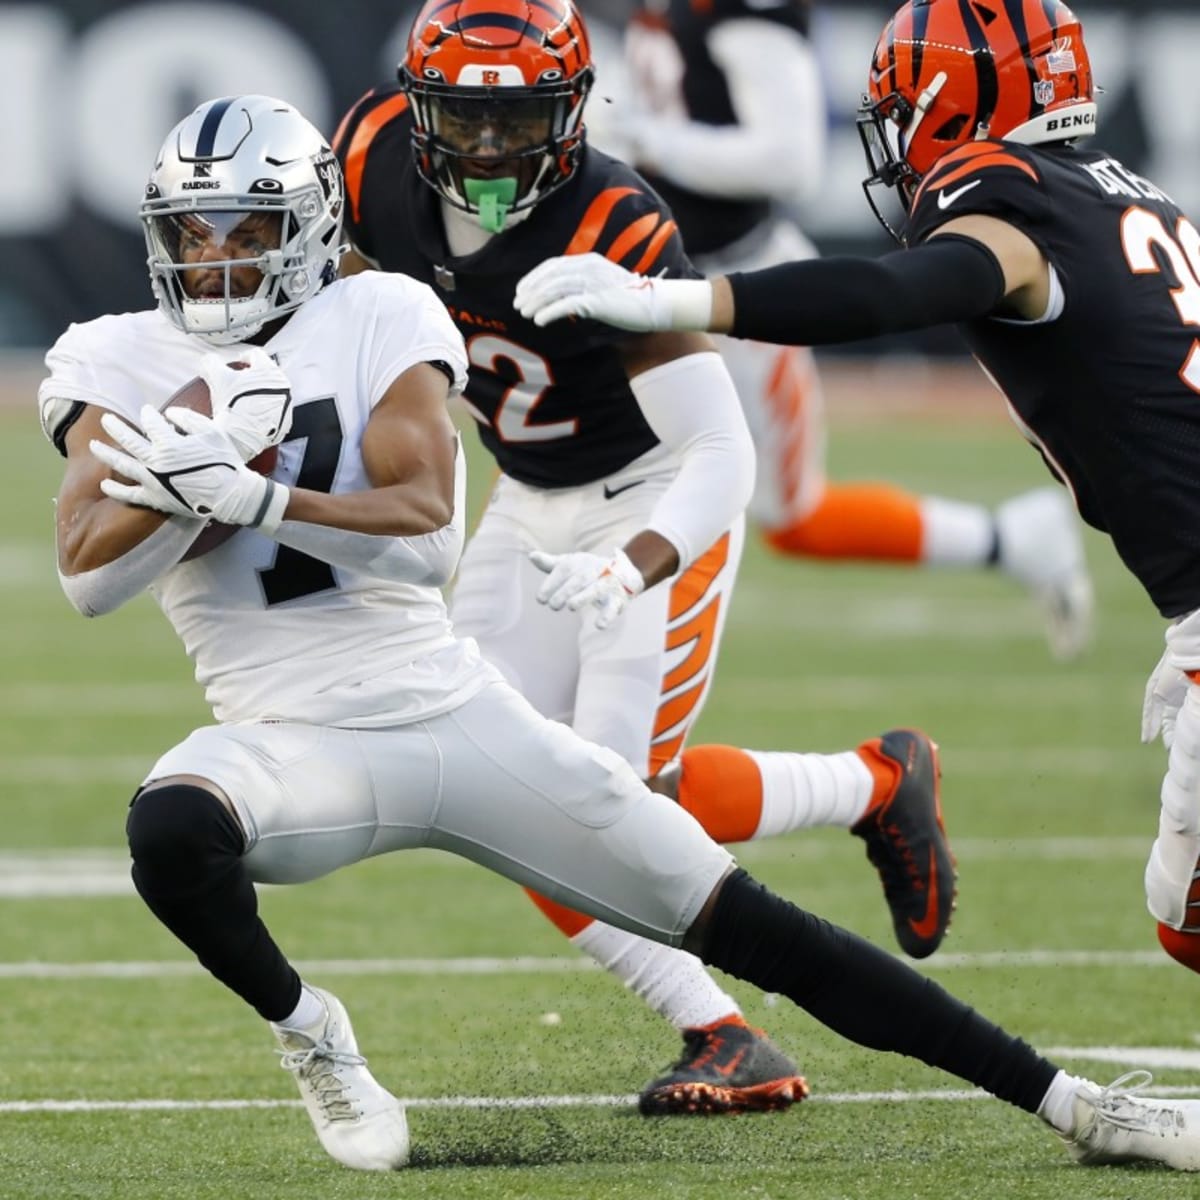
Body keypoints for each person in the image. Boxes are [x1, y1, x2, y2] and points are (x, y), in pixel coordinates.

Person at [41, 87, 1200, 1179]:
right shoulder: (114, 354)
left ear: (306, 228)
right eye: (191, 232)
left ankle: (1080, 1104)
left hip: (456, 707)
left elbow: (426, 535)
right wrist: (178, 482)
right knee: (173, 827)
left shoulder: (382, 308)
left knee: (761, 929)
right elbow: (89, 577)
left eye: (246, 229)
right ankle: (316, 1037)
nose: (215, 257)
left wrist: (261, 495)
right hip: (289, 745)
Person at [332, 0, 955, 1117]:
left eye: (514, 121)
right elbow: (350, 292)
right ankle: (851, 820)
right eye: (461, 123)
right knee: (498, 786)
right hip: (527, 500)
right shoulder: (372, 152)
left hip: (654, 502)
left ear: (571, 111)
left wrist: (636, 563)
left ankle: (793, 918)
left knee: (600, 805)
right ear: (413, 110)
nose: (484, 153)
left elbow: (719, 451)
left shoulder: (613, 216)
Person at [516, 0, 1200, 979]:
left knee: (1188, 918)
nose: (895, 142)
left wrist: (675, 299)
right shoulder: (1122, 194)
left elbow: (893, 294)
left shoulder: (1013, 208)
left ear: (954, 100)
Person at [582, 0, 1093, 662]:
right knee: (597, 468)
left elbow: (790, 161)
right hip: (647, 276)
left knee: (792, 518)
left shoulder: (745, 14)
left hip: (736, 287)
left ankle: (1012, 538)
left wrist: (644, 139)